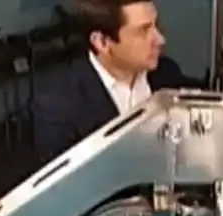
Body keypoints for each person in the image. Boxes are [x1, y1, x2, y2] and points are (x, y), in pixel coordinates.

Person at [32, 0, 201, 161]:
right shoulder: (57, 104)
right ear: (102, 42)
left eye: (155, 25)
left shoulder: (166, 73)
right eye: (143, 31)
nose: (160, 39)